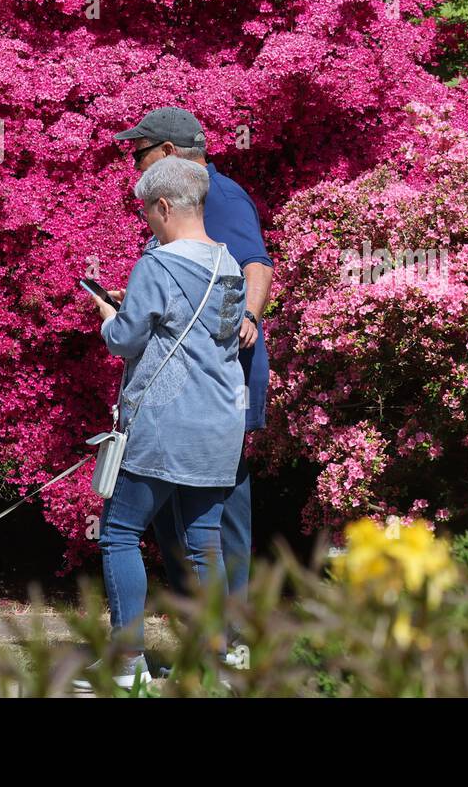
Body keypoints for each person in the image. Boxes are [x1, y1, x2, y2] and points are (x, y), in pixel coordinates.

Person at [75, 157, 247, 689]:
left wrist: (109, 317)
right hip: (219, 425)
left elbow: (126, 340)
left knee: (121, 534)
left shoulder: (157, 264)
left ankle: (128, 666)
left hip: (163, 425)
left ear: (165, 206)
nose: (147, 221)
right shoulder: (230, 266)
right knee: (205, 544)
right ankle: (215, 669)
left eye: (148, 211)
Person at [112, 108, 272, 648]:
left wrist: (245, 318)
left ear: (170, 154)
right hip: (203, 392)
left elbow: (257, 264)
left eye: (140, 153)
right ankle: (209, 647)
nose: (134, 164)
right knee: (187, 528)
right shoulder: (190, 211)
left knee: (214, 522)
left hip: (213, 386)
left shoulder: (217, 195)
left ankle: (233, 640)